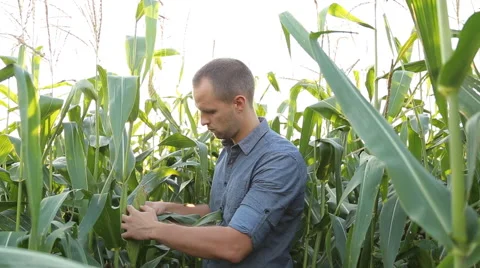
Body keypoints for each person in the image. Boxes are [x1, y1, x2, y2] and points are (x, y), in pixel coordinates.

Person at [121, 58, 308, 267]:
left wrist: (153, 229)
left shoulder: (279, 160)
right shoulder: (229, 151)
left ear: (238, 103)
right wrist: (167, 209)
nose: (202, 121)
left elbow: (236, 244)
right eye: (200, 111)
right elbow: (219, 213)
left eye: (210, 111)